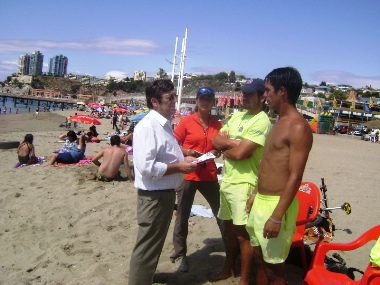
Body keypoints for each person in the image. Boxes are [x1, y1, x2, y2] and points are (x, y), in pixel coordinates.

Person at [245, 67, 313, 285]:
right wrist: (255, 192)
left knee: (275, 268)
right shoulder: (277, 122)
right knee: (260, 259)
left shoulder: (298, 127)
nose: (265, 96)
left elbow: (295, 175)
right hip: (261, 202)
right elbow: (269, 164)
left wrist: (276, 216)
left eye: (268, 90)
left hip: (276, 205)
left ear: (282, 91)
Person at [128, 79, 198, 285]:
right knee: (147, 247)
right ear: (155, 101)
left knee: (153, 245)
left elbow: (164, 156)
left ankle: (145, 278)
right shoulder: (148, 126)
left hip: (162, 194)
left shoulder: (162, 125)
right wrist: (179, 167)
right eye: (170, 98)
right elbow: (146, 167)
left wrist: (182, 160)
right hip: (154, 197)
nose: (175, 101)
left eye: (174, 96)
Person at [210, 79, 272, 285]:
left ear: (262, 96)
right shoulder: (237, 115)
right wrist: (232, 143)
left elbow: (241, 154)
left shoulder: (262, 121)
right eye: (243, 93)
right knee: (229, 232)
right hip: (228, 181)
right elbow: (215, 141)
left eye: (250, 94)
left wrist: (228, 145)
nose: (244, 97)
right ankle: (228, 269)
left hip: (246, 184)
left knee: (244, 236)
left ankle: (244, 279)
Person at [170, 87, 224, 272]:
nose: (205, 101)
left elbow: (219, 147)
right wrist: (189, 152)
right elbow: (174, 143)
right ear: (197, 100)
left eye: (209, 98)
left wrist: (214, 153)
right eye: (202, 98)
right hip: (188, 173)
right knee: (182, 215)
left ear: (213, 102)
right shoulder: (186, 122)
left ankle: (231, 249)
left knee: (221, 212)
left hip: (208, 173)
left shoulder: (217, 125)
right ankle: (179, 255)